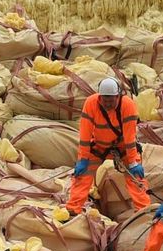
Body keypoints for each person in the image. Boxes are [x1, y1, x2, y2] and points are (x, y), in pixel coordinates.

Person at [65, 77, 152, 216]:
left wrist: (133, 162)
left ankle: (144, 213)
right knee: (82, 175)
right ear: (99, 97)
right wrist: (83, 158)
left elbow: (130, 137)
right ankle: (72, 210)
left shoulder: (128, 105)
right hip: (99, 146)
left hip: (123, 147)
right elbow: (85, 135)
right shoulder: (91, 103)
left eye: (111, 101)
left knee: (135, 178)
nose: (108, 104)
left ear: (118, 96)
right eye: (105, 100)